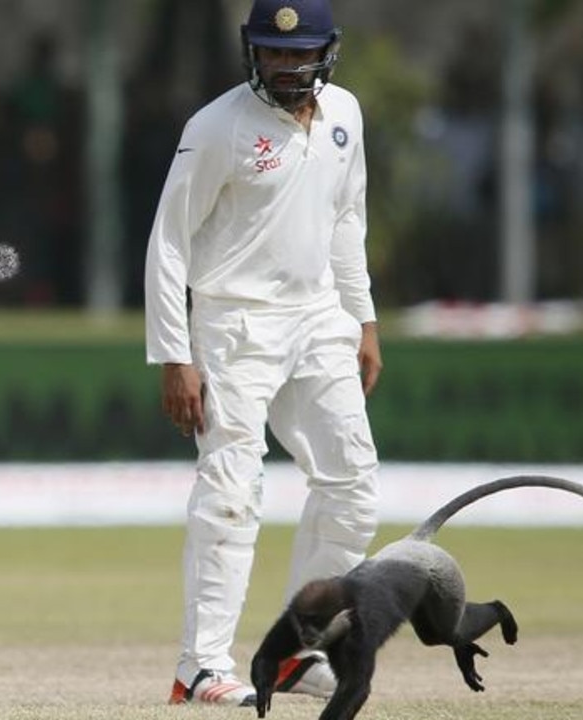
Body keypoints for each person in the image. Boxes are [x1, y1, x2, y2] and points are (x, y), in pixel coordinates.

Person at [144, 0, 382, 707]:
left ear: (326, 50)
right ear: (252, 51)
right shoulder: (218, 128)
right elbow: (169, 242)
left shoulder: (345, 113)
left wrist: (362, 317)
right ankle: (201, 665)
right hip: (234, 322)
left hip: (317, 318)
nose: (284, 64)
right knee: (230, 491)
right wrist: (173, 353)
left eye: (298, 52)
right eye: (271, 52)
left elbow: (347, 218)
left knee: (353, 490)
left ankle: (295, 652)